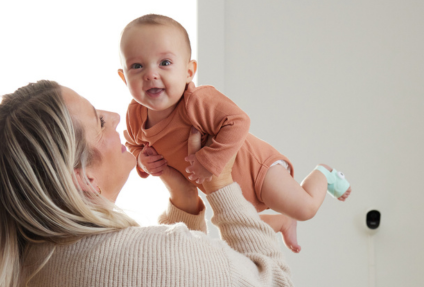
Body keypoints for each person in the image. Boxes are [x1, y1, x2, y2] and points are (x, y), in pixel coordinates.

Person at [0, 80, 293, 287]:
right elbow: (275, 283)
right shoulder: (151, 255)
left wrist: (183, 199)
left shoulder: (32, 266)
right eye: (99, 122)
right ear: (84, 177)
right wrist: (221, 186)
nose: (114, 116)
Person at [119, 14, 352, 253]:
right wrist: (141, 160)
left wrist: (209, 161)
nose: (150, 74)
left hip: (257, 169)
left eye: (165, 63)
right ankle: (282, 221)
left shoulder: (196, 102)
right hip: (224, 189)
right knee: (232, 235)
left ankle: (324, 174)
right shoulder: (135, 116)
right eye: (137, 66)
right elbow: (134, 143)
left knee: (305, 209)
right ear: (123, 77)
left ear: (189, 71)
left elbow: (239, 121)